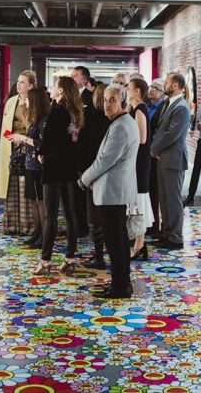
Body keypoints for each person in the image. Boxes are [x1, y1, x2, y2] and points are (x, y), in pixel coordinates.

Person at [80, 84, 140, 299]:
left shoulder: (122, 125)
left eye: (112, 99)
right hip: (113, 190)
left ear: (123, 102)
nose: (107, 104)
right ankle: (121, 283)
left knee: (116, 242)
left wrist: (84, 179)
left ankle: (120, 286)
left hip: (113, 192)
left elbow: (106, 160)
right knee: (118, 240)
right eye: (105, 99)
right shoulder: (120, 122)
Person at [33, 76, 85, 275]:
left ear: (61, 91)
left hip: (54, 168)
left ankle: (45, 259)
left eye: (55, 86)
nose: (52, 89)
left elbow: (50, 141)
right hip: (70, 169)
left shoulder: (57, 112)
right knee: (71, 214)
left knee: (50, 216)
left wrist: (41, 152)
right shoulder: (77, 113)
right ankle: (70, 256)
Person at [149, 73, 190, 250]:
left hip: (173, 159)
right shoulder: (168, 103)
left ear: (174, 86)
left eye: (166, 83)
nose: (163, 85)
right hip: (162, 158)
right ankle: (166, 233)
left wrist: (153, 148)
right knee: (164, 199)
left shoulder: (182, 107)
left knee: (173, 200)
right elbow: (159, 129)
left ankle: (175, 237)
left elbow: (171, 134)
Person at [9, 87, 50, 248]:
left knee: (40, 201)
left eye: (28, 99)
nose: (25, 100)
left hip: (38, 166)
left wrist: (23, 139)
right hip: (30, 164)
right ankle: (37, 232)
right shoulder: (35, 118)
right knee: (33, 200)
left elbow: (42, 143)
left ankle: (43, 236)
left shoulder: (44, 120)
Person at [0, 70, 35, 236]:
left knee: (25, 188)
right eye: (18, 81)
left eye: (22, 82)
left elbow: (33, 126)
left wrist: (22, 138)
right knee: (11, 187)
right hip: (11, 149)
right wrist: (9, 137)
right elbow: (5, 126)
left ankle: (29, 226)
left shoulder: (34, 102)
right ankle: (11, 225)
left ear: (31, 85)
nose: (18, 84)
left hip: (28, 148)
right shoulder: (11, 101)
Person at [78, 84, 111, 269]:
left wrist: (84, 175)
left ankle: (99, 257)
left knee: (95, 219)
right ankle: (103, 256)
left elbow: (85, 149)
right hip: (104, 173)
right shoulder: (112, 120)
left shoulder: (91, 118)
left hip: (93, 172)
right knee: (105, 218)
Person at [126, 77, 153, 260]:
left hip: (139, 160)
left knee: (139, 199)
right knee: (133, 198)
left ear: (137, 91)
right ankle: (137, 241)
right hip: (133, 159)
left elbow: (141, 138)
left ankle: (139, 244)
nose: (126, 90)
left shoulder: (141, 109)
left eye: (129, 88)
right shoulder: (133, 109)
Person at [71, 66, 93, 237]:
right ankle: (76, 224)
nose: (72, 77)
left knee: (81, 189)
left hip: (84, 150)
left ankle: (83, 226)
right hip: (71, 150)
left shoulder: (89, 98)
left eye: (76, 75)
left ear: (84, 81)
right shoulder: (70, 97)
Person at [146, 79, 168, 235]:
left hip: (155, 153)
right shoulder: (145, 106)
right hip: (144, 152)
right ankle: (149, 222)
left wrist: (155, 149)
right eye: (150, 87)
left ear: (162, 93)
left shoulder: (163, 108)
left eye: (156, 88)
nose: (151, 90)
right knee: (147, 189)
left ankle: (156, 224)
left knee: (155, 190)